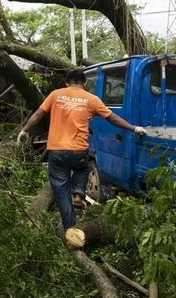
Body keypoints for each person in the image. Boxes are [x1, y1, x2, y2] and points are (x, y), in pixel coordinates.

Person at [16, 69, 147, 231]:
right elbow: (113, 118)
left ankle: (70, 228)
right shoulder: (92, 99)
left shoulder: (55, 95)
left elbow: (38, 114)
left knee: (62, 192)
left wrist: (24, 131)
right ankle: (78, 193)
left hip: (56, 151)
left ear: (67, 83)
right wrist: (133, 128)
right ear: (84, 83)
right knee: (82, 168)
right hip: (78, 150)